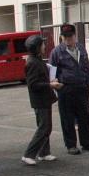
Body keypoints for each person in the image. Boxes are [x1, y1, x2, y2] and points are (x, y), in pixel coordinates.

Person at [49, 23, 89, 155]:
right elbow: (52, 72)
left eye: (70, 36)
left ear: (74, 35)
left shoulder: (81, 48)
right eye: (65, 36)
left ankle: (86, 142)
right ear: (62, 37)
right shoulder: (56, 52)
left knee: (84, 116)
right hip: (66, 89)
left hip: (81, 88)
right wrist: (55, 83)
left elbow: (86, 66)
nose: (68, 39)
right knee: (67, 118)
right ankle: (71, 145)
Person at [22, 35, 62, 165]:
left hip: (44, 98)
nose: (45, 46)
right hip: (39, 99)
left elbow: (40, 80)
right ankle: (29, 154)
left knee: (46, 127)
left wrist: (50, 81)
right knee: (43, 127)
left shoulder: (37, 60)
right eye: (42, 44)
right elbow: (33, 84)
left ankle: (44, 152)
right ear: (37, 47)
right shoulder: (32, 62)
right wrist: (50, 84)